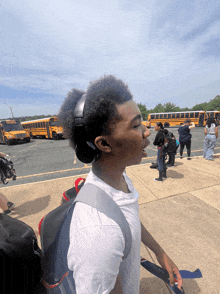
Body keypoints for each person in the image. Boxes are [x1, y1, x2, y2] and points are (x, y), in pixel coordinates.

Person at [58, 75, 182, 293]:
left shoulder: (119, 179)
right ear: (104, 144)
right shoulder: (99, 233)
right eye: (135, 126)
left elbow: (128, 218)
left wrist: (160, 253)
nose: (146, 131)